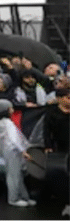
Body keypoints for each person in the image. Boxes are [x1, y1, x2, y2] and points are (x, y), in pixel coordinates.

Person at [0, 99, 35, 207]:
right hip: (13, 151)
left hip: (8, 151)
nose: (12, 109)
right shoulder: (8, 123)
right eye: (10, 108)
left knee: (16, 174)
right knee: (14, 175)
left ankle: (24, 197)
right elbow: (14, 139)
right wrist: (23, 151)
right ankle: (14, 198)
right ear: (6, 110)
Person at [41, 88, 69, 216]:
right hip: (60, 148)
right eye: (68, 98)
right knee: (62, 176)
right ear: (60, 98)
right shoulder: (52, 112)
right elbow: (47, 130)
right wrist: (48, 146)